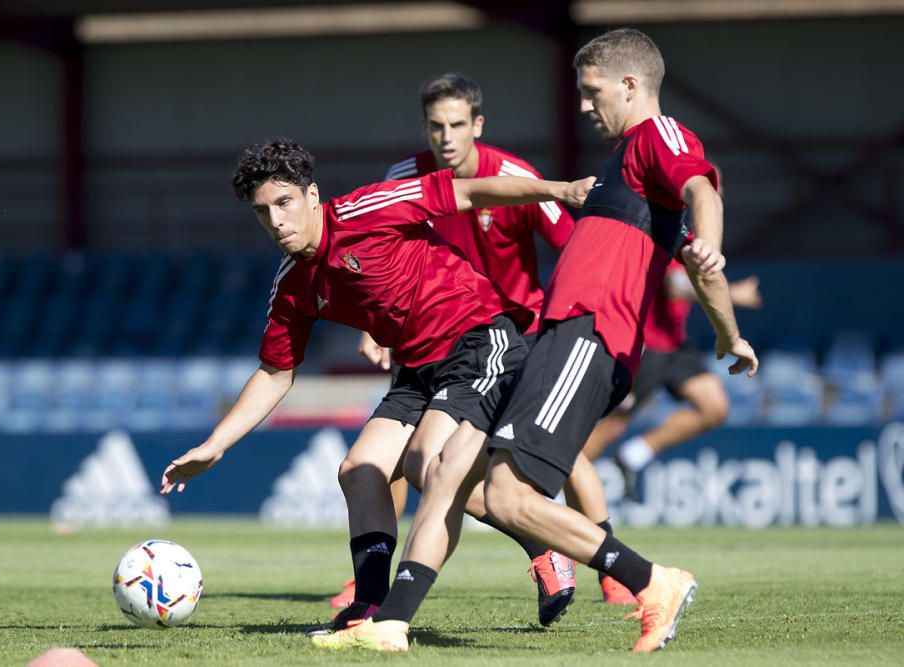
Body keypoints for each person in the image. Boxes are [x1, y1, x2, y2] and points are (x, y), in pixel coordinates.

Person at [314, 28, 758, 654]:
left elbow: (702, 191)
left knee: (510, 496)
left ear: (630, 86)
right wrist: (730, 335)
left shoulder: (657, 136)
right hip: (548, 334)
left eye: (591, 91)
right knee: (443, 471)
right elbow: (699, 265)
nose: (583, 104)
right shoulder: (624, 165)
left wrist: (712, 238)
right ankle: (389, 622)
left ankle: (652, 580)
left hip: (585, 331)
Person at [158, 139, 593, 634]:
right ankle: (369, 603)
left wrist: (559, 190)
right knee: (358, 471)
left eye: (284, 203)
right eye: (263, 212)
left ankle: (546, 545)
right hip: (416, 367)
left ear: (311, 195)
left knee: (427, 463)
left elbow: (471, 192)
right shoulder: (293, 284)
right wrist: (215, 446)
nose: (276, 221)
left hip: (476, 337)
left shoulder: (368, 208)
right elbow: (276, 372)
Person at [333, 72, 585, 623]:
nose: (444, 137)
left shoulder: (513, 176)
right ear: (424, 127)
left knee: (445, 464)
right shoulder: (404, 177)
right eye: (435, 126)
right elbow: (383, 252)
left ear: (477, 125)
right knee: (379, 468)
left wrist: (566, 324)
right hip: (425, 343)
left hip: (503, 334)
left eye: (455, 125)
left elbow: (571, 244)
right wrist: (373, 326)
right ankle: (370, 596)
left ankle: (592, 559)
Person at [577, 264, 762, 503]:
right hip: (645, 345)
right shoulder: (666, 232)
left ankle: (633, 455)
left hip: (675, 343)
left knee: (714, 408)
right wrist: (730, 293)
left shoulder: (690, 237)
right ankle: (557, 488)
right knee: (612, 426)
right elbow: (676, 287)